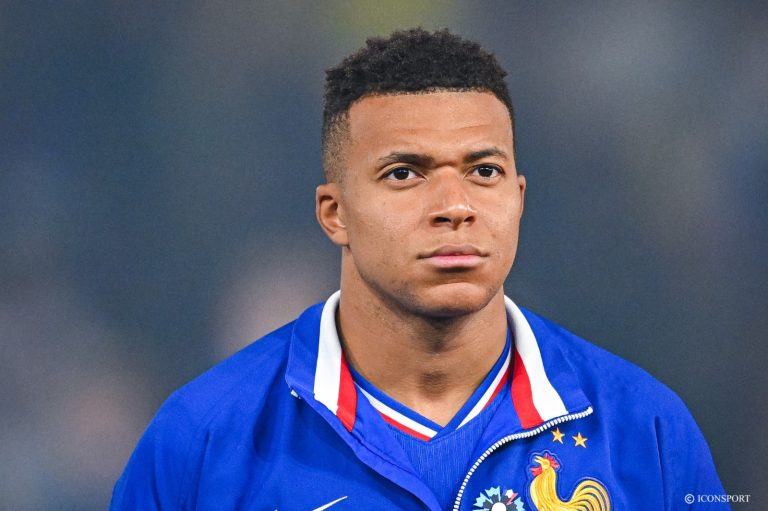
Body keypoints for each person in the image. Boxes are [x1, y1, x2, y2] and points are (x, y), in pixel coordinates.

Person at [111, 28, 727, 511]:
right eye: (404, 173)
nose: (455, 206)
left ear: (518, 198)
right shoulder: (201, 441)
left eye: (483, 171)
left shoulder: (648, 431)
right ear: (334, 213)